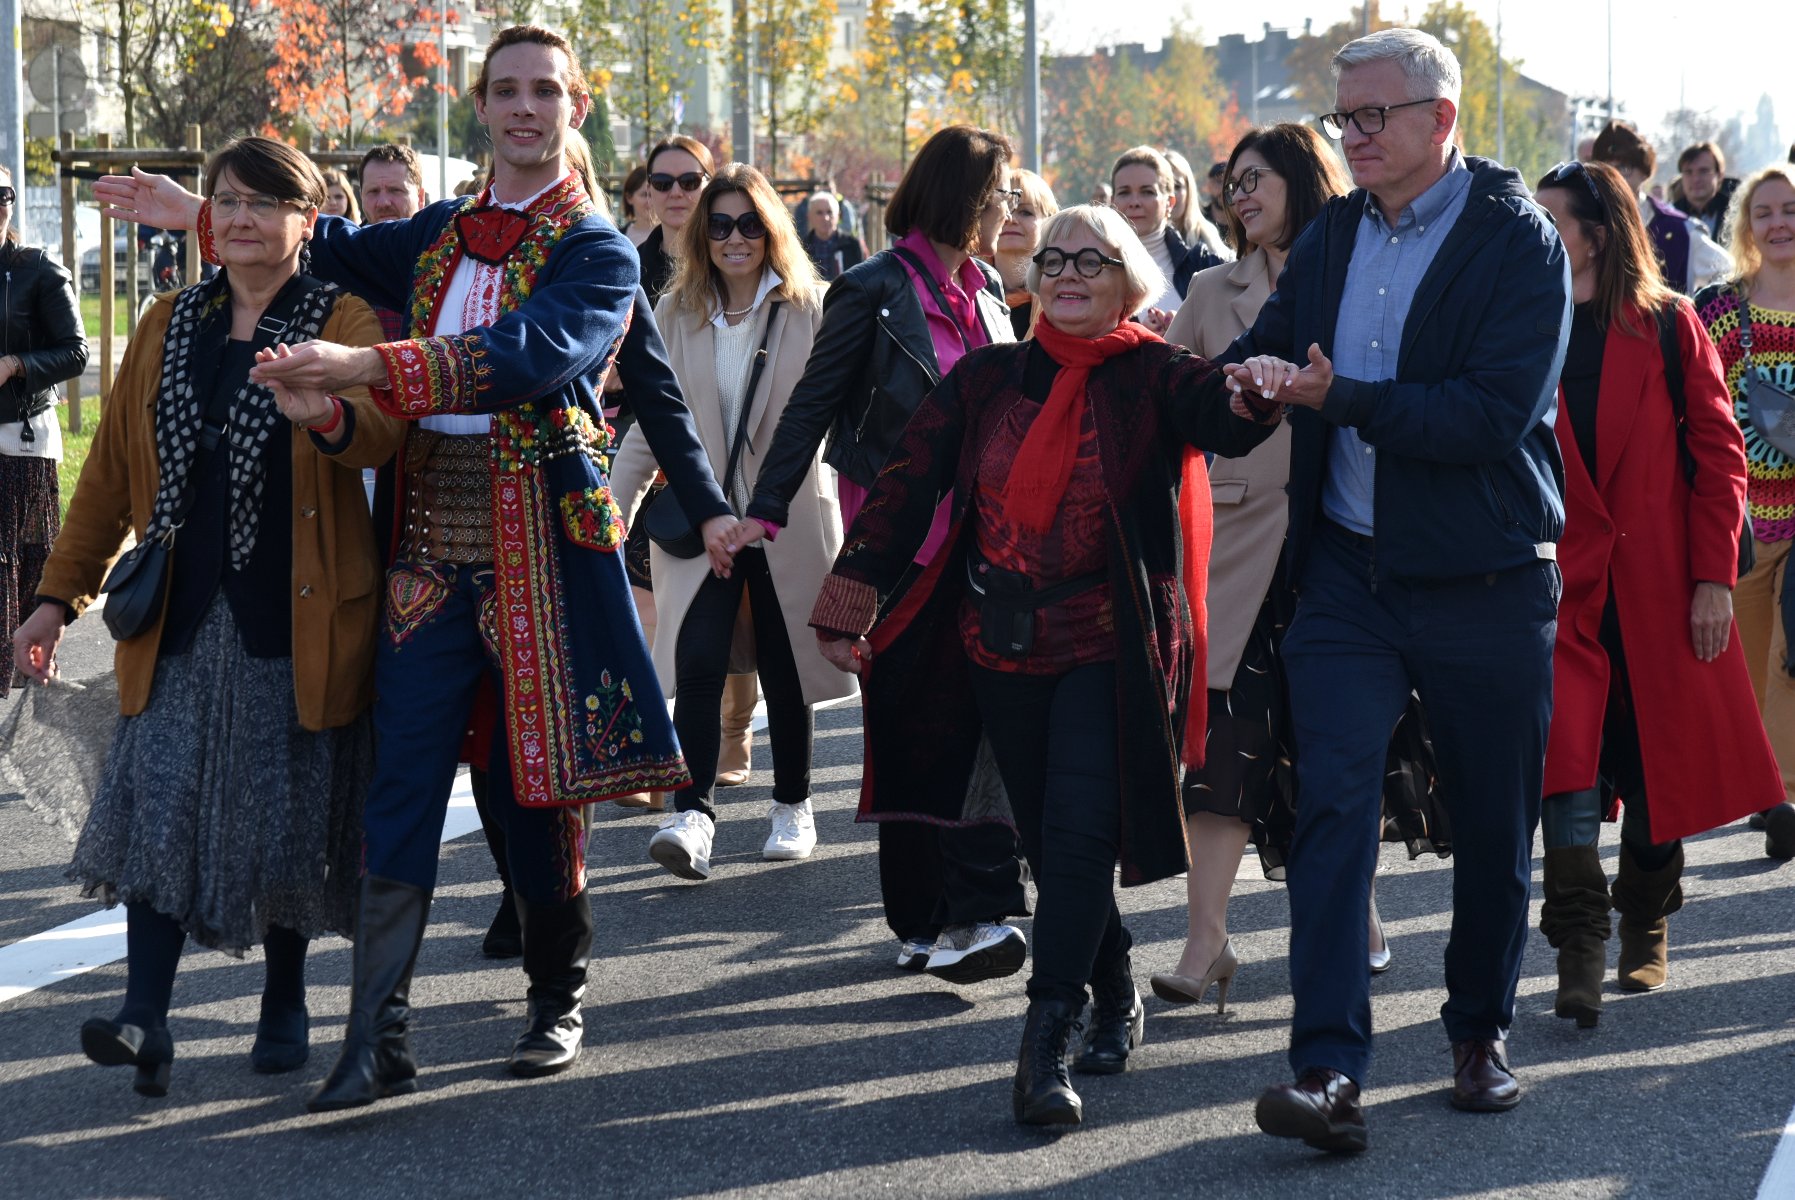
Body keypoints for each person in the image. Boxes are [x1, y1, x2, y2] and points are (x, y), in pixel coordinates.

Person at [93, 24, 733, 1107]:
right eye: (505, 91)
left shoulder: (597, 252)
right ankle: (376, 1032)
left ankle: (554, 996)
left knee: (530, 791)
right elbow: (319, 241)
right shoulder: (436, 235)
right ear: (481, 108)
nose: (523, 108)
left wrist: (364, 364)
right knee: (397, 788)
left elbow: (535, 354)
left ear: (573, 108)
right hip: (426, 549)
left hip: (542, 549)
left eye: (544, 92)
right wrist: (203, 213)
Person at [800, 203, 1275, 1126]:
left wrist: (1257, 387)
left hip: (1112, 649)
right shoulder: (984, 379)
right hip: (994, 646)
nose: (1067, 275)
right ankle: (1113, 981)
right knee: (1052, 838)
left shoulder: (1155, 373)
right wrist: (848, 598)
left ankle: (1044, 1036)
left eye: (1091, 262)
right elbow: (904, 489)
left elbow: (1223, 419)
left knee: (1078, 832)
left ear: (1128, 281)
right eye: (1054, 259)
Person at [1225, 28, 1571, 1152]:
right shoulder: (1331, 233)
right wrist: (1250, 383)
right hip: (1348, 580)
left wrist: (1344, 400)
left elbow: (1485, 417)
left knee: (1489, 820)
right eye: (1343, 118)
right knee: (1330, 809)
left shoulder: (1518, 243)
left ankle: (1478, 1031)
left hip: (1485, 576)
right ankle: (1327, 1071)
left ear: (1443, 118)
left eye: (1374, 116)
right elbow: (1280, 350)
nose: (1353, 137)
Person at [16, 136, 401, 1097]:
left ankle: (284, 998)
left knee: (281, 811)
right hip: (177, 616)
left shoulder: (342, 316)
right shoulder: (166, 319)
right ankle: (146, 1015)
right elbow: (107, 474)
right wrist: (55, 600)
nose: (238, 219)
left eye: (263, 204)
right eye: (225, 201)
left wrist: (325, 411)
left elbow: (383, 432)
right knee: (163, 803)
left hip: (300, 610)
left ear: (306, 221)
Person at [734, 124, 1030, 985]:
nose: (1010, 209)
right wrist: (763, 511)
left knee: (977, 730)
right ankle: (926, 920)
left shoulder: (984, 292)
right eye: (1002, 192)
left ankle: (965, 913)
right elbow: (810, 407)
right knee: (909, 731)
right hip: (899, 551)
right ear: (966, 197)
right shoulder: (868, 288)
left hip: (987, 549)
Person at [1158, 124, 1434, 1007]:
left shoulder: (1363, 274)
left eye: (1255, 179)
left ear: (1301, 181)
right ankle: (1204, 944)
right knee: (1222, 755)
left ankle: (1356, 914)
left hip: (1340, 549)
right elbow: (1186, 409)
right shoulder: (1208, 289)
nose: (1238, 195)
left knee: (1338, 748)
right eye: (1229, 183)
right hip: (1236, 556)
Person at [1531, 160, 1781, 1034]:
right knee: (1564, 764)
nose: (1535, 231)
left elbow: (1720, 460)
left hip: (1662, 589)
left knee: (1653, 769)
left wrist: (1714, 578)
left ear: (1593, 232)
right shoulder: (1525, 324)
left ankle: (1646, 915)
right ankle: (1577, 944)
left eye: (1548, 218)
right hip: (1558, 589)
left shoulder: (1670, 325)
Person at [610, 164, 854, 879]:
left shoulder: (811, 307)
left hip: (786, 522)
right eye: (719, 225)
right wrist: (609, 514)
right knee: (697, 654)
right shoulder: (677, 311)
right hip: (701, 519)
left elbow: (827, 419)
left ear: (772, 228)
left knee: (785, 665)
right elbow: (651, 425)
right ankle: (693, 813)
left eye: (750, 222)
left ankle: (793, 804)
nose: (734, 238)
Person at [1694, 164, 1795, 861]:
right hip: (1747, 521)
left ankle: (1784, 792)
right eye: (1763, 211)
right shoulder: (1719, 309)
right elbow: (1694, 408)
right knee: (1756, 665)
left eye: (1788, 208)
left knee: (1790, 659)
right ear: (1744, 224)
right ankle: (1769, 787)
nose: (1777, 222)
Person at [0, 166, 86, 693]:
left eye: (2, 194)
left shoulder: (36, 268)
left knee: (17, 564)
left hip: (20, 441)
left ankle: (24, 660)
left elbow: (76, 352)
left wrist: (15, 364)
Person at [1591, 120, 1728, 295]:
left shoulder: (1682, 230)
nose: (1615, 176)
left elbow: (1730, 272)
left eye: (1624, 168)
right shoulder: (1583, 221)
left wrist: (1704, 312)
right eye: (1606, 168)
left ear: (1643, 173)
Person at [1110, 145, 1224, 334]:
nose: (1135, 202)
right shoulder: (1094, 269)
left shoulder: (1205, 265)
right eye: (1124, 192)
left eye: (1147, 191)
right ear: (1113, 202)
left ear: (1170, 202)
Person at [637, 135, 714, 302]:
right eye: (662, 182)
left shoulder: (734, 258)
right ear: (649, 192)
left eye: (690, 181)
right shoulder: (632, 268)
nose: (676, 193)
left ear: (710, 188)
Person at [991, 169, 1058, 338]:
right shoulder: (967, 292)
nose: (1011, 219)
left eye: (1025, 212)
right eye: (1004, 209)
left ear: (1049, 222)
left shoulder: (1062, 292)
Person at [1164, 148, 1232, 263]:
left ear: (1189, 190)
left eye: (1177, 186)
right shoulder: (1136, 241)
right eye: (1164, 186)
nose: (1170, 195)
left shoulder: (1208, 241)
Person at [1674, 141, 1741, 244]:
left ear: (1719, 175)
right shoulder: (1670, 216)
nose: (1696, 179)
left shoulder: (1736, 214)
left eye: (1703, 171)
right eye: (1688, 172)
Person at [800, 191, 866, 283]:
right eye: (819, 213)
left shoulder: (853, 246)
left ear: (838, 216)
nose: (825, 218)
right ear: (809, 217)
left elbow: (863, 281)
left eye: (830, 212)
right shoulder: (800, 249)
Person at [360, 144, 428, 226]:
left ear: (420, 198)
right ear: (362, 197)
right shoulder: (345, 238)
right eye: (374, 191)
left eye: (395, 190)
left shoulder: (443, 237)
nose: (383, 203)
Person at [619, 163, 657, 247]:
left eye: (654, 195)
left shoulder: (675, 237)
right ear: (629, 198)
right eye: (644, 195)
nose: (650, 201)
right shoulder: (618, 238)